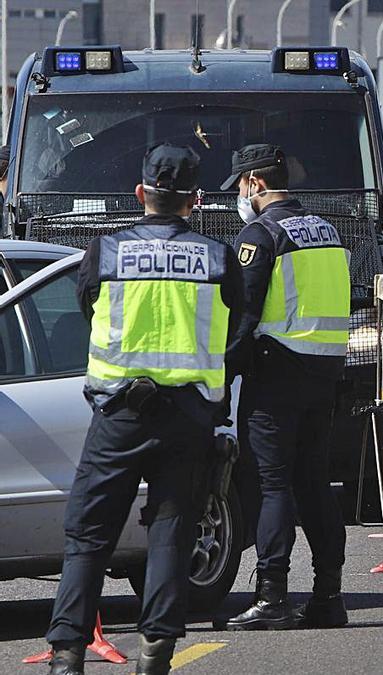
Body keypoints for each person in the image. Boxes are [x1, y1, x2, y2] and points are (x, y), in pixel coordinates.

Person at [45, 144, 243, 675]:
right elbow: (235, 327)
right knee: (172, 534)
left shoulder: (105, 251)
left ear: (141, 194)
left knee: (88, 534)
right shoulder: (218, 257)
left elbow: (90, 311)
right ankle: (156, 654)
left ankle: (67, 655)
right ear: (194, 200)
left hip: (118, 416)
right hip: (188, 417)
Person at [222, 144, 351, 631]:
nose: (238, 194)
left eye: (239, 185)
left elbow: (244, 312)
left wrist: (223, 373)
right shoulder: (327, 230)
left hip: (276, 374)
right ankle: (328, 596)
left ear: (255, 183)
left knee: (274, 485)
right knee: (314, 483)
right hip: (324, 374)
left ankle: (272, 594)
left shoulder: (261, 234)